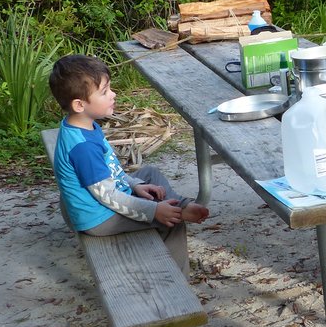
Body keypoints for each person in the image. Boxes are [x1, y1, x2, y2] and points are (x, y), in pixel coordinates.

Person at [48, 54, 209, 274]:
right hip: (98, 218)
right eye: (104, 92)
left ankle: (179, 204)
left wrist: (133, 184)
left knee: (150, 173)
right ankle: (178, 281)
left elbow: (110, 169)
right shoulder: (83, 148)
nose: (113, 94)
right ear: (79, 104)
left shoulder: (83, 125)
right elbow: (108, 196)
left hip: (93, 203)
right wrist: (154, 211)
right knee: (170, 221)